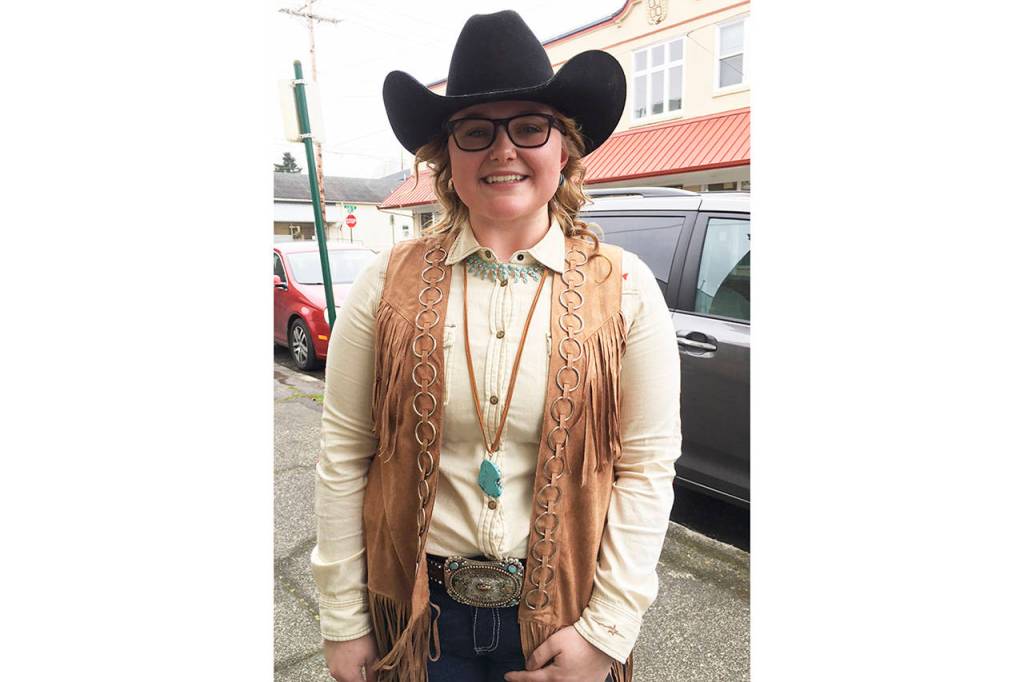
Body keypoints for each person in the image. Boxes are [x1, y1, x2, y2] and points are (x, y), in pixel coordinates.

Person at [311, 10, 681, 682]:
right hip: (419, 620)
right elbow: (344, 455)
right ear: (446, 156)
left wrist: (607, 632)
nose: (502, 150)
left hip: (564, 620)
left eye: (529, 127)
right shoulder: (384, 284)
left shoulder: (625, 290)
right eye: (475, 131)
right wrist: (343, 622)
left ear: (563, 147)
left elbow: (647, 470)